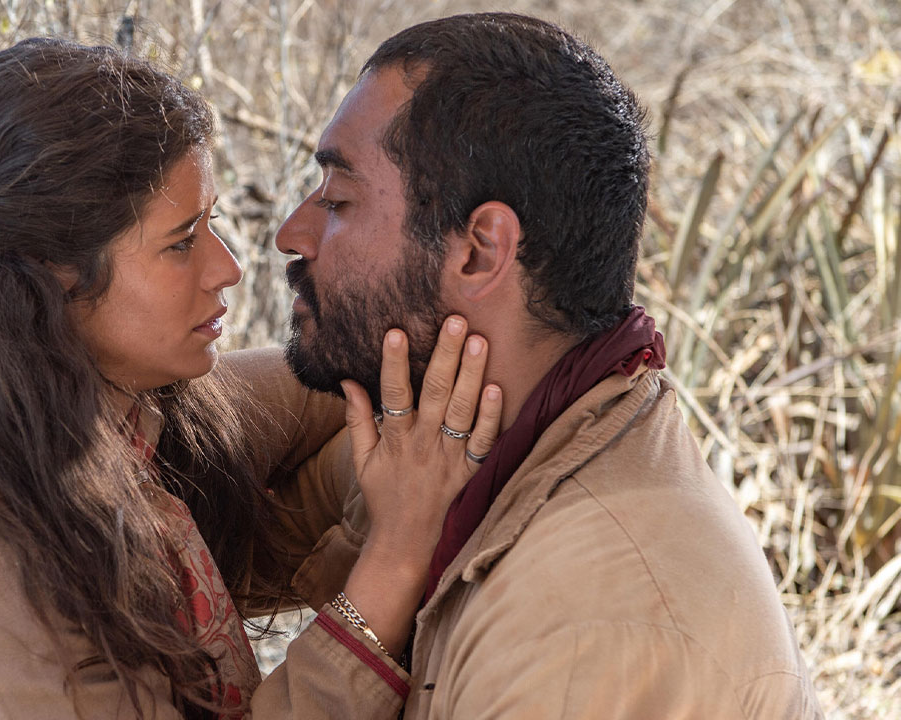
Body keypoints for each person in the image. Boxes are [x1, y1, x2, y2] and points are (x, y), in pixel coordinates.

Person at [0, 36, 502, 719]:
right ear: (49, 278)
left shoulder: (122, 413)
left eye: (211, 225)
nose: (229, 269)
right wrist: (396, 558)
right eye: (181, 243)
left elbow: (342, 383)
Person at [274, 12, 824, 719]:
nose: (294, 232)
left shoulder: (581, 631)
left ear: (479, 250)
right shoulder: (456, 443)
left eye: (339, 200)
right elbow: (230, 448)